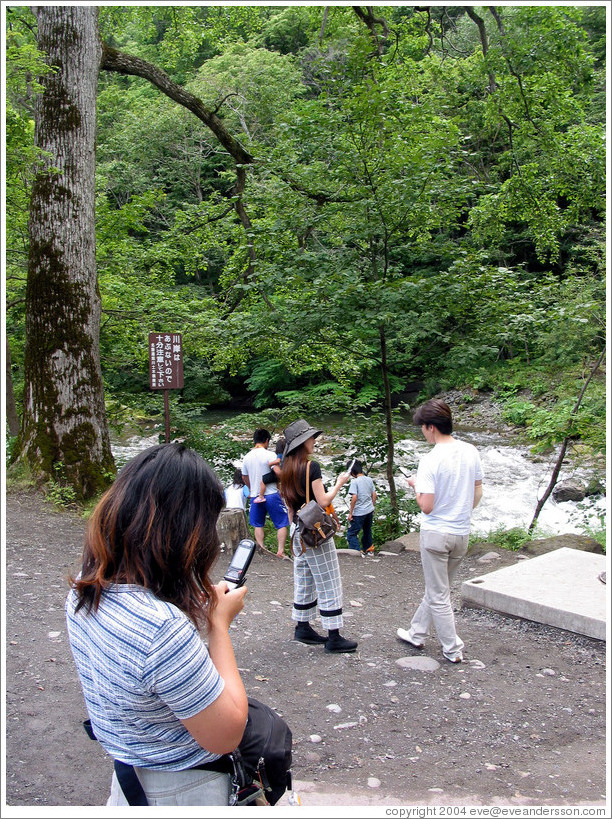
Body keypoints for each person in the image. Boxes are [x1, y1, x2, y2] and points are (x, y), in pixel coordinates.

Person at [65, 444, 249, 806]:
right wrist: (218, 624)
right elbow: (227, 733)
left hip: (128, 779)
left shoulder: (84, 593)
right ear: (185, 531)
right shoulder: (161, 629)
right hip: (183, 790)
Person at [397, 399, 483, 664]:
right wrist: (460, 510)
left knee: (439, 594)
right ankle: (416, 632)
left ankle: (452, 648)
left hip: (435, 534)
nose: (422, 432)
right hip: (461, 533)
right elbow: (477, 492)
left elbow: (427, 506)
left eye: (422, 427)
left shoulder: (430, 459)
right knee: (439, 589)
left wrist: (414, 486)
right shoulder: (471, 451)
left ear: (431, 427)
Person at [280, 418, 358, 653]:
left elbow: (290, 508)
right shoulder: (311, 467)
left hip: (297, 531)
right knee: (329, 579)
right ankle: (334, 636)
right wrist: (340, 483)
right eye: (312, 438)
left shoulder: (286, 469)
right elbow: (323, 501)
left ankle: (302, 626)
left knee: (304, 578)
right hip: (315, 532)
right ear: (303, 442)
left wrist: (295, 531)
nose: (315, 441)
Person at [241, 429, 289, 558]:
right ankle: (280, 551)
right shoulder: (270, 455)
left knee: (258, 524)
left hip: (255, 495)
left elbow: (244, 477)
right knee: (281, 523)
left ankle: (261, 549)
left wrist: (251, 489)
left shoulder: (247, 457)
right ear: (267, 440)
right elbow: (278, 472)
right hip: (272, 493)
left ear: (254, 440)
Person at [346, 459, 377, 556]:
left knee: (351, 534)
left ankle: (356, 553)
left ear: (352, 471)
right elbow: (374, 494)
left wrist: (351, 513)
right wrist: (372, 506)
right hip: (369, 510)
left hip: (359, 512)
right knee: (367, 530)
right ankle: (369, 550)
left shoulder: (355, 482)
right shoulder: (369, 479)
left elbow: (354, 498)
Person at [254, 437, 285, 504]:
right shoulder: (286, 456)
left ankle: (261, 496)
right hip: (281, 473)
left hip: (275, 474)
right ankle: (280, 493)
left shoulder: (280, 454)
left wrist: (270, 464)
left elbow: (278, 461)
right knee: (278, 483)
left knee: (263, 480)